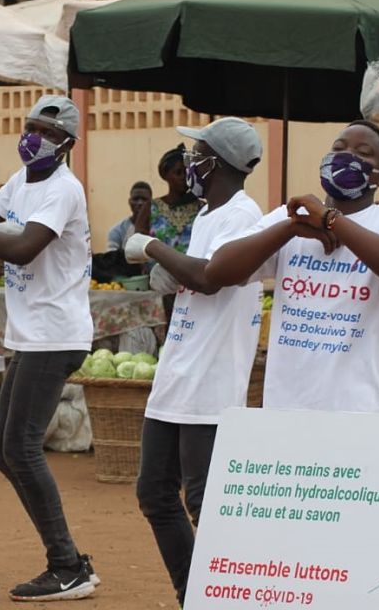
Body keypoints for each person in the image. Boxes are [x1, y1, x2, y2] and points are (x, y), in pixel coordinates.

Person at [0, 95, 97, 602]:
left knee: (22, 449)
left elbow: (21, 248)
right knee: (3, 450)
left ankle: (67, 565)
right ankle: (68, 559)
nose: (34, 138)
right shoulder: (21, 181)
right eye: (30, 127)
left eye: (47, 132)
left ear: (67, 144)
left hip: (55, 333)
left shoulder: (63, 189)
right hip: (30, 333)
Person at [122, 118, 264, 607]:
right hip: (178, 373)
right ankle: (195, 595)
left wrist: (154, 247)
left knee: (205, 503)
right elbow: (195, 278)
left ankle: (234, 598)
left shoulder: (243, 216)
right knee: (154, 493)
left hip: (210, 381)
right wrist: (169, 272)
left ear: (215, 162)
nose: (188, 161)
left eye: (195, 152)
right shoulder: (208, 215)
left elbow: (209, 277)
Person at [206, 121, 379, 412]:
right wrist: (290, 228)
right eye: (338, 148)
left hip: (363, 413)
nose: (346, 155)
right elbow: (217, 271)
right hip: (287, 411)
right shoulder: (291, 219)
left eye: (363, 152)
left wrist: (331, 220)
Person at [137, 144, 203, 255]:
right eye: (178, 172)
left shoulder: (201, 208)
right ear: (165, 174)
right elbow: (137, 244)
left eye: (187, 172)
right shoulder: (151, 208)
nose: (184, 177)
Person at [106, 181, 152, 251]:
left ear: (151, 202)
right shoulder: (117, 230)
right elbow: (112, 256)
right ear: (130, 202)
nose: (140, 203)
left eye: (144, 199)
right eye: (136, 199)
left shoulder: (160, 228)